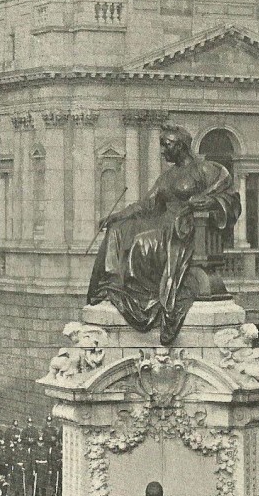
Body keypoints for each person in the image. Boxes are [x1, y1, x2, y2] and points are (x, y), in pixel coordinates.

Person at [86, 123, 241, 345]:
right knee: (118, 231)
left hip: (184, 230)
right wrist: (116, 216)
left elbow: (230, 198)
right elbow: (146, 204)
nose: (163, 150)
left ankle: (136, 289)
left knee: (140, 242)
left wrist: (209, 202)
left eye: (167, 145)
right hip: (164, 224)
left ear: (180, 146)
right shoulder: (168, 177)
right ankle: (113, 285)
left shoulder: (208, 170)